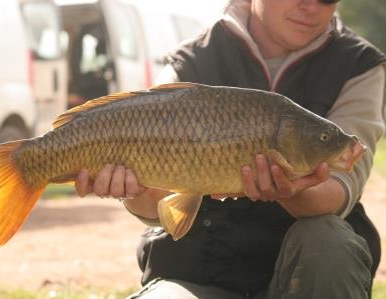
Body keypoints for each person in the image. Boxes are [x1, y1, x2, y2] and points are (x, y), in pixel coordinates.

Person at [74, 0, 386, 298]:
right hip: (197, 270)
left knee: (327, 239)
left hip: (306, 273)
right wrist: (131, 189)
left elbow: (341, 191)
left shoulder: (360, 65)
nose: (311, 6)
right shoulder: (192, 59)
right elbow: (156, 206)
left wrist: (292, 191)